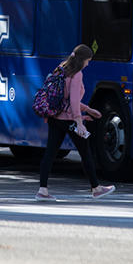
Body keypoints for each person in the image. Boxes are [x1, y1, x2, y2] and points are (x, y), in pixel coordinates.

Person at [35, 44, 116, 201]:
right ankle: (96, 188)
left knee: (50, 154)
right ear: (83, 60)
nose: (88, 63)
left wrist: (89, 110)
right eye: (88, 60)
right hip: (69, 120)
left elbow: (65, 99)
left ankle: (42, 191)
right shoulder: (77, 74)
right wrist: (79, 122)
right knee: (86, 153)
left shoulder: (61, 69)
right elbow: (72, 101)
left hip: (55, 117)